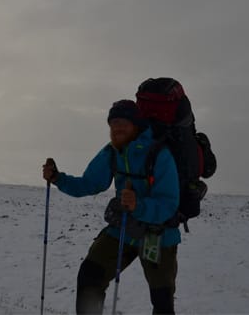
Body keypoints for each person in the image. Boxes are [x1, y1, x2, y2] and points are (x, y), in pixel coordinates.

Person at [42, 99, 180, 315]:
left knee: (162, 301)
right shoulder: (112, 152)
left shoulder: (159, 154)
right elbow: (89, 183)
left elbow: (169, 204)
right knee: (90, 275)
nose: (117, 128)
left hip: (157, 234)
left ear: (136, 125)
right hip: (123, 228)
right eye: (113, 123)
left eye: (123, 122)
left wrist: (138, 205)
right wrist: (58, 178)